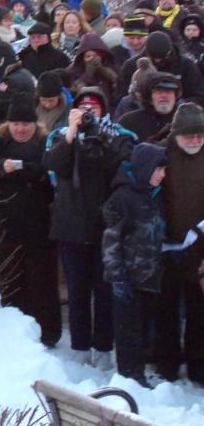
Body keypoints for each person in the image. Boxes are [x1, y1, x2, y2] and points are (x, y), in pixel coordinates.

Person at [44, 88, 136, 367]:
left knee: (104, 291)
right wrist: (72, 133)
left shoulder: (116, 135)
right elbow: (53, 164)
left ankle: (104, 346)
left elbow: (126, 160)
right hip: (71, 227)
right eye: (83, 108)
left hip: (104, 228)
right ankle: (81, 345)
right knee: (77, 290)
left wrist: (103, 135)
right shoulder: (61, 136)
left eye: (93, 108)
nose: (88, 113)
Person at [0, 95, 61, 347]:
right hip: (4, 223)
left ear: (35, 124)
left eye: (26, 124)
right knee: (10, 278)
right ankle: (13, 333)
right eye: (16, 124)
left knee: (41, 280)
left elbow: (55, 172)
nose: (21, 129)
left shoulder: (46, 142)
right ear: (8, 124)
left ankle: (48, 333)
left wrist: (37, 174)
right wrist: (1, 167)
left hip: (39, 223)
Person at [102, 142, 168, 387]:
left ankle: (139, 373)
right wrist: (117, 276)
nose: (163, 175)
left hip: (150, 278)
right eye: (158, 169)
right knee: (127, 331)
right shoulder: (122, 198)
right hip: (127, 279)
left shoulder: (154, 196)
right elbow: (111, 241)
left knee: (143, 329)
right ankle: (129, 377)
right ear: (145, 168)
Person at [155, 103, 204, 385]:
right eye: (190, 135)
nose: (196, 140)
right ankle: (167, 365)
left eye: (201, 134)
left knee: (199, 311)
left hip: (199, 248)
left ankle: (198, 366)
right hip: (167, 247)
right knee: (166, 310)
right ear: (176, 134)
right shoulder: (160, 154)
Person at [117, 30, 204, 107]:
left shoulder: (186, 65)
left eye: (162, 58)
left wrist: (178, 104)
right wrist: (134, 97)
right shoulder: (131, 66)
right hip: (142, 112)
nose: (158, 61)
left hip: (177, 113)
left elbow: (198, 95)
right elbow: (120, 95)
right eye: (154, 58)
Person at [66, 32, 118, 106]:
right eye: (88, 56)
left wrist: (103, 70)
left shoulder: (111, 65)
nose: (92, 59)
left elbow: (118, 86)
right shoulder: (74, 69)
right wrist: (87, 75)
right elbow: (73, 92)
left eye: (95, 55)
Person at [36, 69, 71, 134]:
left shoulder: (69, 110)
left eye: (51, 100)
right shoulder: (33, 106)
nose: (47, 104)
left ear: (59, 97)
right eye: (43, 100)